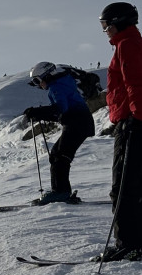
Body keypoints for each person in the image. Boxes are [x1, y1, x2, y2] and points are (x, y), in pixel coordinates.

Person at [94, 2, 142, 262]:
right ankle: (136, 242)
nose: (106, 32)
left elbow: (136, 83)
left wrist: (136, 117)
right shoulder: (131, 43)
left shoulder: (127, 45)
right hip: (131, 119)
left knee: (123, 186)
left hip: (132, 122)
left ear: (119, 22)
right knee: (134, 183)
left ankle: (129, 244)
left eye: (107, 26)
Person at [22, 61, 96, 204]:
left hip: (77, 123)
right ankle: (60, 191)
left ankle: (61, 192)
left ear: (46, 76)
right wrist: (40, 114)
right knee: (57, 154)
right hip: (78, 122)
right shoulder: (60, 83)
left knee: (60, 156)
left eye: (37, 80)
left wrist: (37, 112)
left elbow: (60, 108)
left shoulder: (56, 86)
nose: (38, 85)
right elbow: (60, 112)